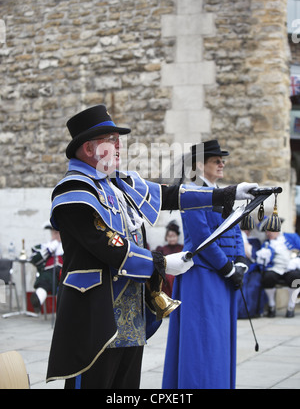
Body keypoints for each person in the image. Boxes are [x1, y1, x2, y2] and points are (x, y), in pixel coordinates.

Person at [45, 106, 257, 389]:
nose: (119, 146)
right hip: (96, 312)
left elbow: (171, 194)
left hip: (133, 308)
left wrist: (228, 193)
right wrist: (162, 263)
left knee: (126, 387)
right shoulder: (73, 191)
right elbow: (107, 245)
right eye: (111, 139)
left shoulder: (120, 182)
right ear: (88, 148)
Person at [162, 140, 248, 389]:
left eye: (222, 160)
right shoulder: (191, 193)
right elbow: (201, 238)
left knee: (220, 340)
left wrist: (241, 262)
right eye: (215, 160)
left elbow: (235, 230)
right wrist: (228, 268)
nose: (222, 163)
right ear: (200, 165)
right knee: (202, 341)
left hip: (224, 277)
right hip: (201, 277)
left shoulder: (223, 192)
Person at [256, 223, 300, 318]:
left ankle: (290, 306)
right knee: (268, 277)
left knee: (295, 277)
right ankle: (272, 305)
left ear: (276, 230)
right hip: (275, 268)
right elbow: (262, 261)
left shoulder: (291, 237)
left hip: (290, 268)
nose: (267, 233)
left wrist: (296, 260)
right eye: (266, 231)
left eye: (269, 230)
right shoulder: (266, 244)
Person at [29, 223, 63, 313]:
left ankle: (40, 296)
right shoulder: (44, 247)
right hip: (47, 273)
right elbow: (34, 260)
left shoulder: (68, 247)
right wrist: (48, 250)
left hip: (64, 273)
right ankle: (38, 298)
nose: (57, 235)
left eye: (59, 233)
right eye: (54, 232)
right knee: (47, 278)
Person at [155, 221, 183, 297]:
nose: (172, 239)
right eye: (169, 237)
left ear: (177, 236)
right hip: (166, 277)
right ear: (166, 238)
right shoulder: (162, 250)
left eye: (174, 236)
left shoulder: (182, 249)